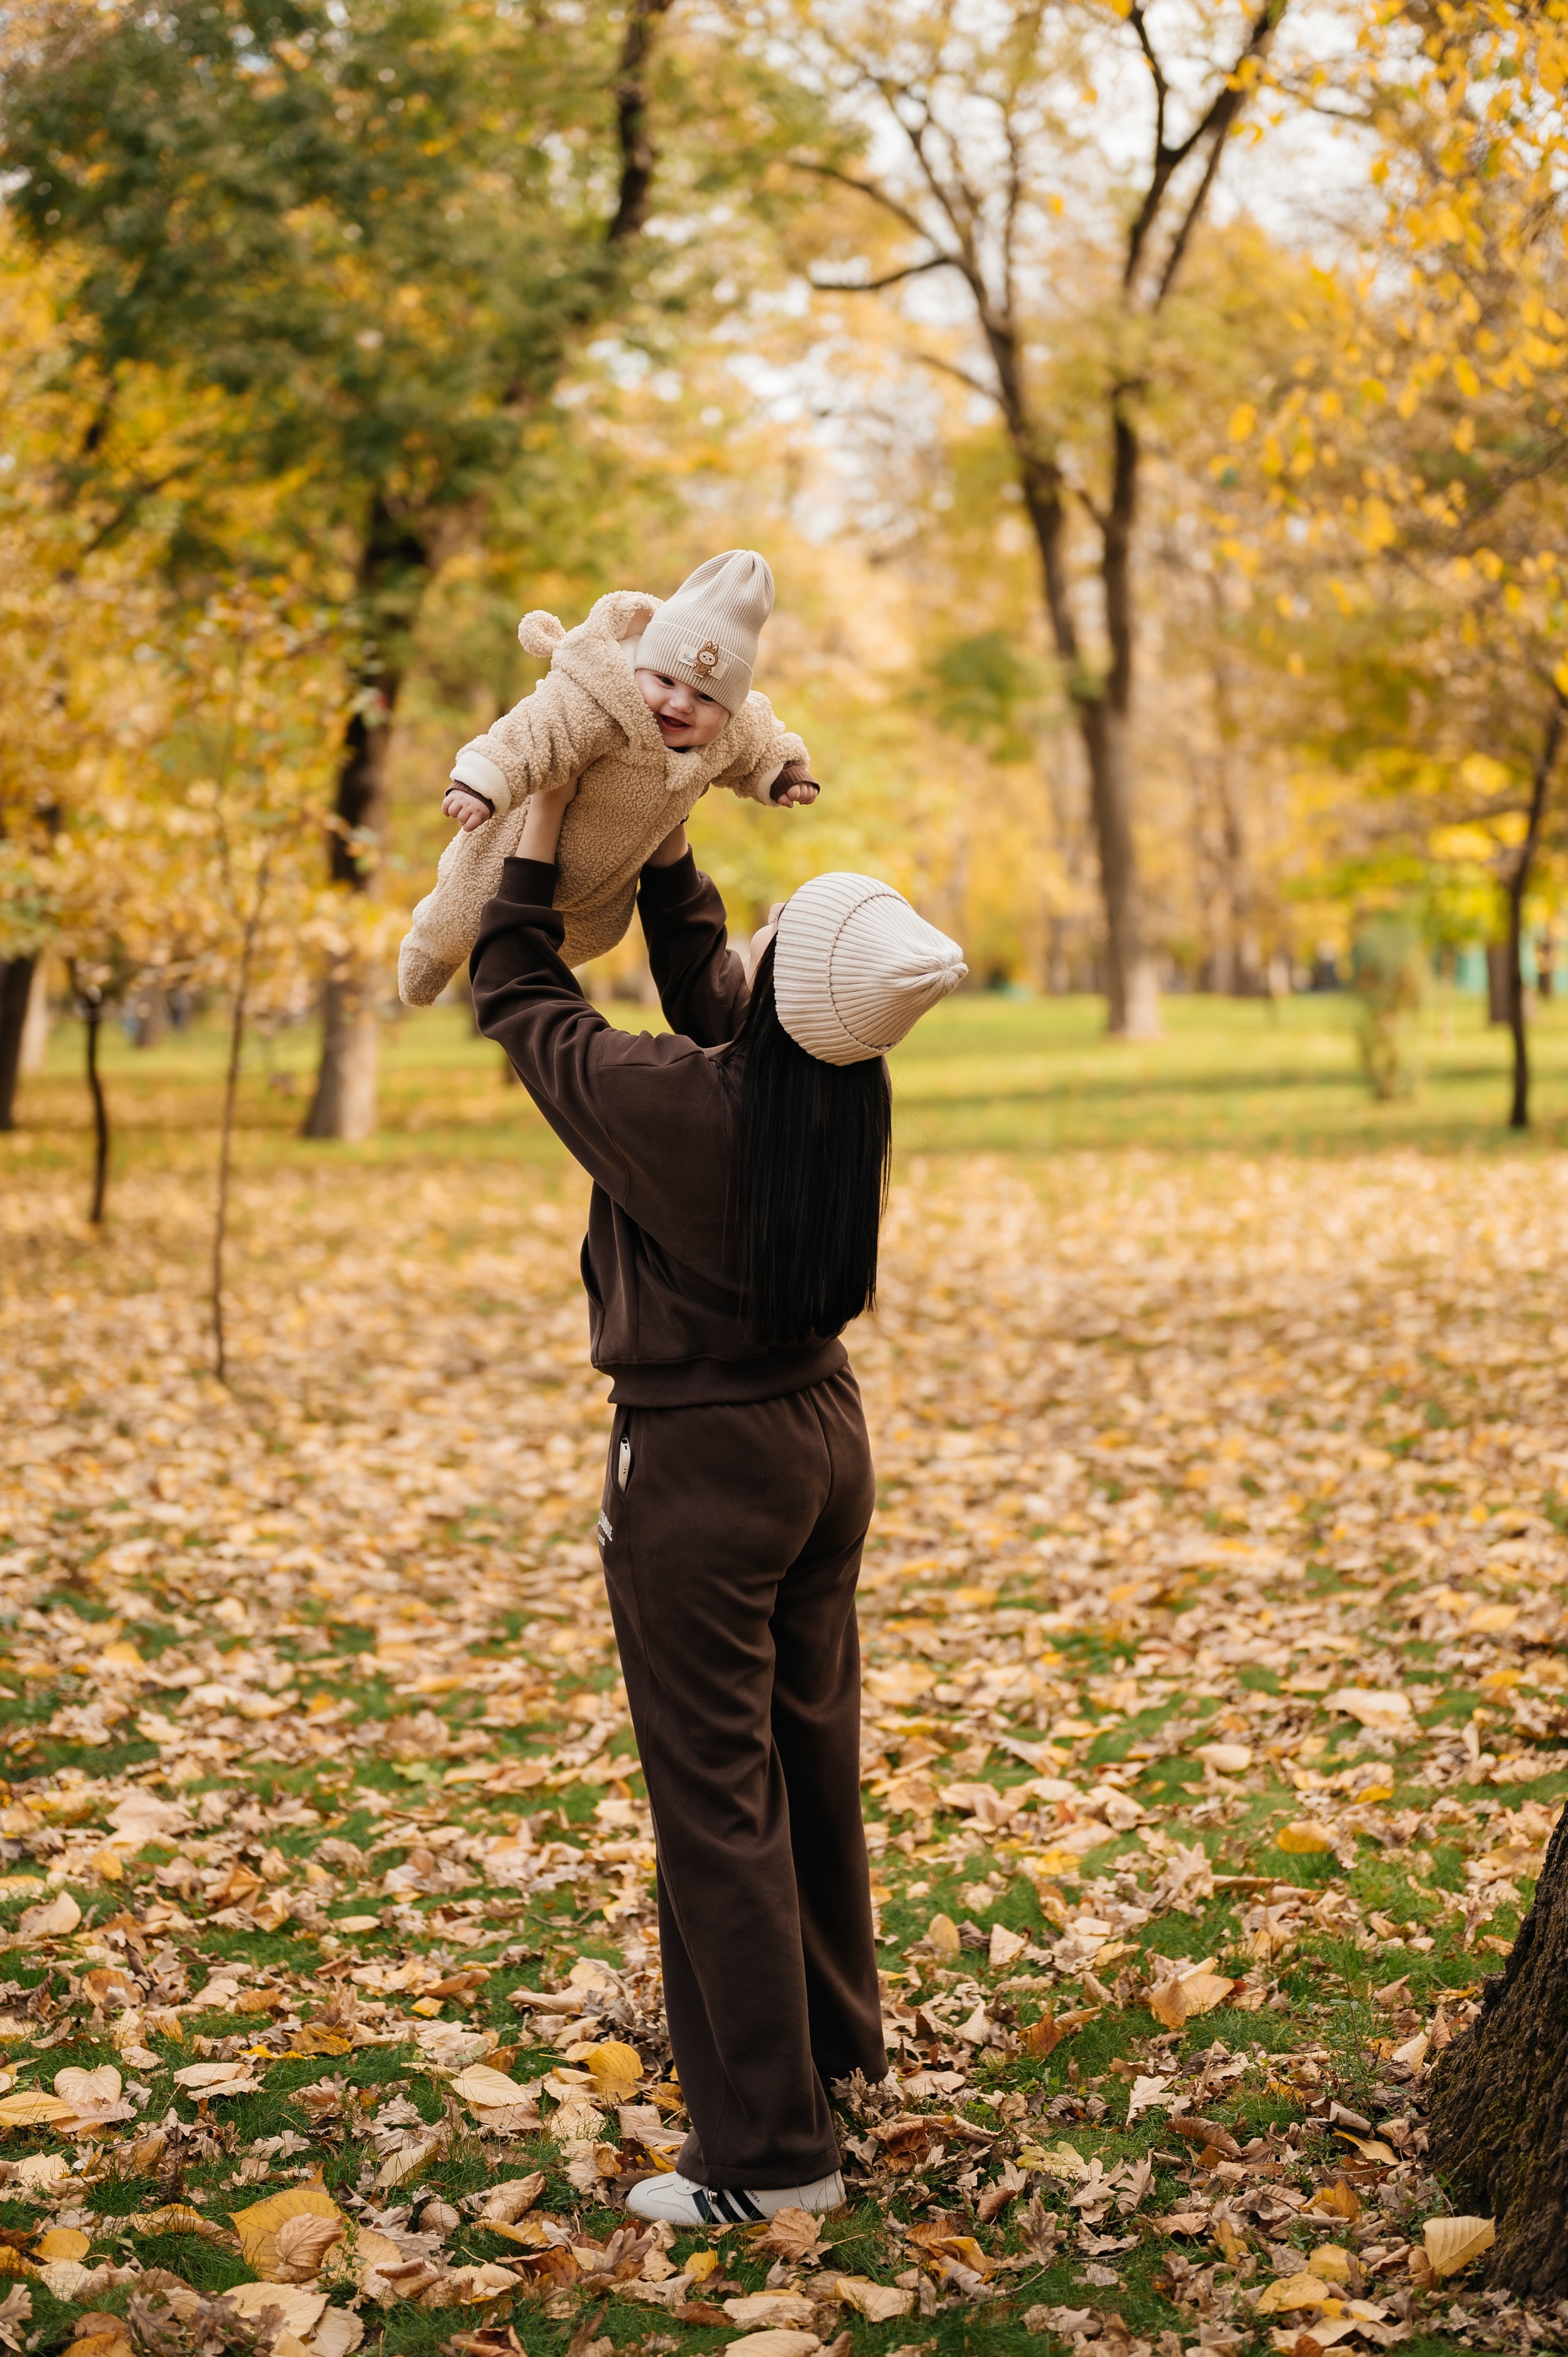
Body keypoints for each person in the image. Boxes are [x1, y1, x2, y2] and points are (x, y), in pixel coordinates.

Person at [469, 774, 967, 2226]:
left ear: (782, 993)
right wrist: (666, 826)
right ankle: (827, 2054)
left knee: (717, 1806)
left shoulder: (680, 1110)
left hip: (698, 1465)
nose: (738, 942)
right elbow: (716, 986)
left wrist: (542, 835)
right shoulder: (830, 1094)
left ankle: (767, 2154)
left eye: (763, 932)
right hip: (820, 1443)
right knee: (805, 1767)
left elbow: (520, 996)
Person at [398, 549, 819, 1006]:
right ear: (638, 667)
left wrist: (784, 774)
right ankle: (429, 958)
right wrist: (480, 783)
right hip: (510, 855)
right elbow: (535, 732)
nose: (680, 705)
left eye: (705, 697)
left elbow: (761, 742)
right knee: (461, 915)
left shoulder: (731, 733)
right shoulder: (596, 702)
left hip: (605, 887)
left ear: (730, 710)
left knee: (595, 936)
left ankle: (536, 982)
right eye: (665, 681)